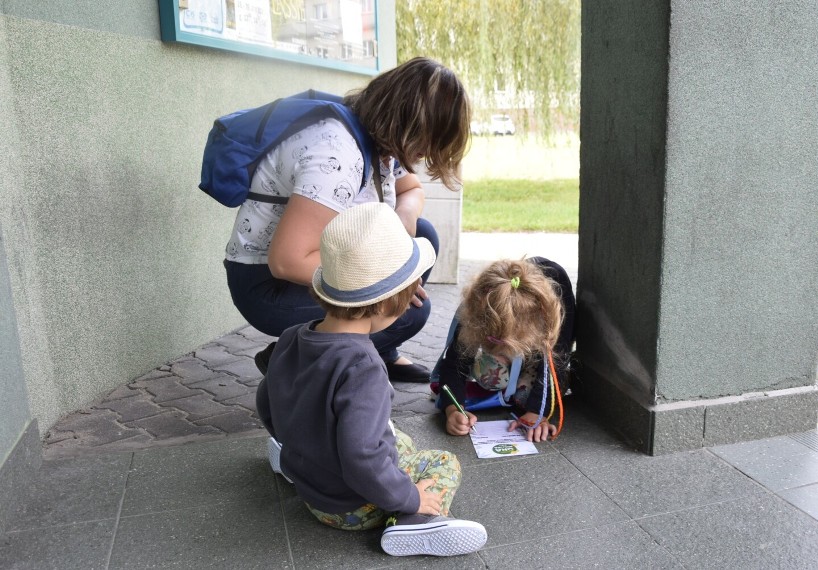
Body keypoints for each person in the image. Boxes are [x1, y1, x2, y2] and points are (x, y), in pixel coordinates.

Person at [255, 203, 488, 557]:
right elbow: (361, 455)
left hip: (310, 487)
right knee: (442, 462)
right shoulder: (363, 367)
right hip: (351, 507)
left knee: (397, 437)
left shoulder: (291, 337)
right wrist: (409, 496)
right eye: (410, 293)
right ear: (383, 305)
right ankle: (413, 522)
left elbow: (266, 399)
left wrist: (294, 444)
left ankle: (287, 458)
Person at [223, 57, 470, 383]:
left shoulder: (376, 135)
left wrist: (403, 217)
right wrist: (384, 285)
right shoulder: (337, 155)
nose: (427, 155)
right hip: (268, 286)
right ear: (407, 123)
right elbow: (285, 262)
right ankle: (294, 360)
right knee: (407, 314)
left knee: (423, 235)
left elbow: (411, 190)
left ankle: (379, 352)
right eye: (428, 142)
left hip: (309, 262)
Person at [433, 257, 576, 442]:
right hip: (510, 331)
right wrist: (453, 409)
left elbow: (556, 362)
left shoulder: (549, 314)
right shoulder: (477, 308)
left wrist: (537, 412)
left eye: (506, 350)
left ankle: (520, 373)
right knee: (490, 377)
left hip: (540, 344)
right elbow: (452, 364)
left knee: (526, 398)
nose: (502, 355)